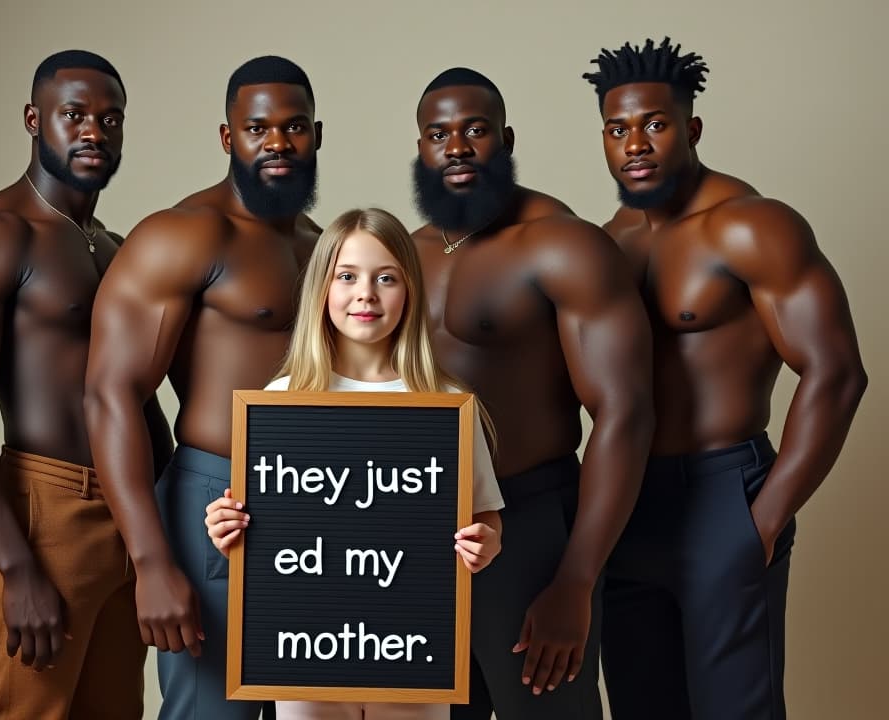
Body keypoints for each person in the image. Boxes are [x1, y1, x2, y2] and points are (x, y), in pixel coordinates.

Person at [583, 37, 868, 720]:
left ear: (691, 127)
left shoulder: (750, 226)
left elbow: (837, 373)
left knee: (735, 710)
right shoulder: (608, 240)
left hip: (722, 491)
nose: (636, 144)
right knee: (640, 706)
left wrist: (763, 520)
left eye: (654, 123)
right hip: (627, 496)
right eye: (618, 129)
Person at [0, 50, 173, 719]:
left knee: (115, 711)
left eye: (111, 118)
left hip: (133, 509)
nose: (95, 131)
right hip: (47, 510)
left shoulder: (112, 245)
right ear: (35, 120)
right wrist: (16, 565)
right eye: (75, 115)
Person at [410, 68, 655, 720]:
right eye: (439, 134)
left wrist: (575, 579)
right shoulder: (404, 255)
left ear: (506, 139)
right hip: (422, 527)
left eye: (475, 130)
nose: (456, 146)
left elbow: (624, 413)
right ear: (421, 148)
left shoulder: (562, 244)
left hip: (530, 523)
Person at [83, 55, 322, 720]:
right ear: (228, 138)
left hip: (321, 504)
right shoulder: (185, 234)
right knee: (211, 709)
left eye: (294, 126)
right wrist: (152, 560)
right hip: (221, 498)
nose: (277, 142)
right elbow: (110, 393)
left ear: (317, 134)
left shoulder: (323, 245)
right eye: (258, 127)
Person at [206, 207, 504, 720]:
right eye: (347, 276)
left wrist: (487, 543)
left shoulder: (444, 403)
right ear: (322, 289)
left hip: (412, 653)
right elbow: (262, 526)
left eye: (386, 278)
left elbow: (486, 517)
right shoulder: (282, 403)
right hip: (306, 657)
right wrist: (226, 526)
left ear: (409, 292)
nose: (365, 294)